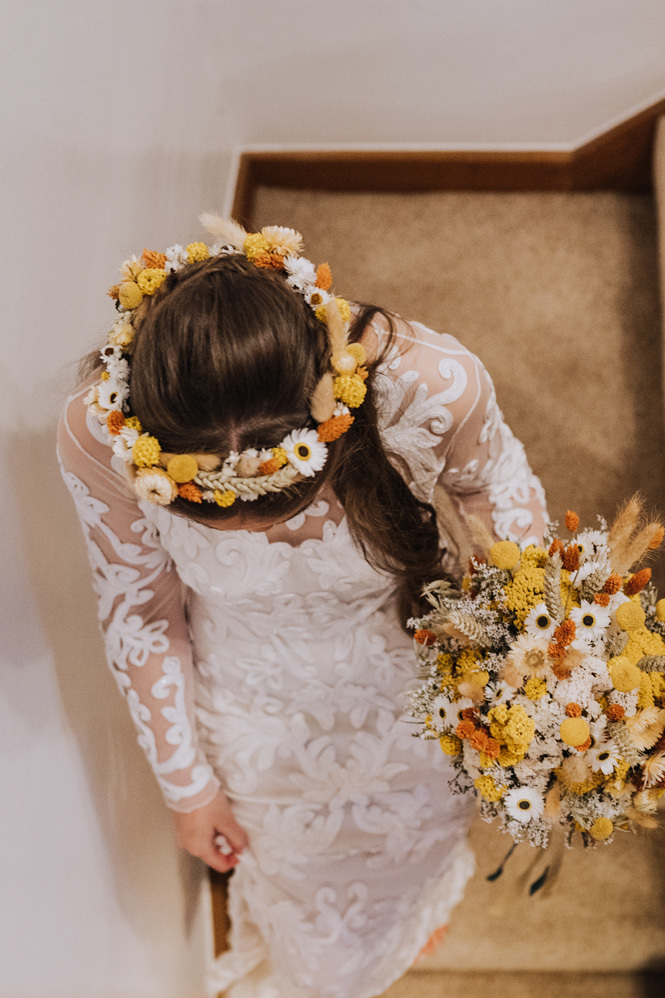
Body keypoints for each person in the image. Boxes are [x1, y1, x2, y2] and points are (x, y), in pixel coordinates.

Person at [57, 216, 548, 998]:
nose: (269, 533)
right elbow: (142, 609)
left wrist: (525, 651)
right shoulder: (101, 433)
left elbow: (497, 488)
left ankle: (412, 910)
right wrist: (190, 787)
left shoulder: (433, 380)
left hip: (410, 666)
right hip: (252, 700)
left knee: (422, 828)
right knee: (307, 907)